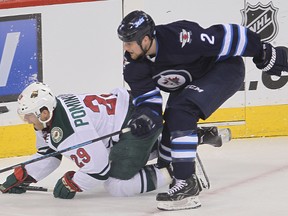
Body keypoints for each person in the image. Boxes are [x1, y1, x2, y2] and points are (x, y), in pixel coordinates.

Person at [117, 10, 288, 210]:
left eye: (129, 42)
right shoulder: (133, 65)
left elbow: (225, 36)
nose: (126, 48)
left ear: (145, 39)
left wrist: (261, 51)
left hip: (224, 69)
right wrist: (145, 117)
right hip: (190, 82)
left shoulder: (179, 38)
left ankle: (186, 184)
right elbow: (148, 100)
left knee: (182, 112)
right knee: (172, 121)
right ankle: (187, 148)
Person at [0, 82, 169, 198]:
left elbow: (99, 170)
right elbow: (49, 153)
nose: (27, 121)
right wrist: (24, 174)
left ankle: (174, 169)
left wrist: (72, 184)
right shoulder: (53, 113)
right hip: (134, 110)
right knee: (110, 155)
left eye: (28, 116)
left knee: (116, 185)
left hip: (138, 125)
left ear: (44, 113)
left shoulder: (69, 130)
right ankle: (168, 143)